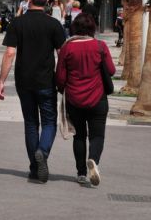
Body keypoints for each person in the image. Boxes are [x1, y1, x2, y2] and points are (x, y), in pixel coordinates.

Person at [0, 0, 66, 183]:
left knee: (31, 123)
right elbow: (62, 56)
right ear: (47, 2)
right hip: (46, 81)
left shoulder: (17, 23)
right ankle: (42, 152)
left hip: (23, 81)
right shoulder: (54, 25)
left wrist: (1, 81)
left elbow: (10, 53)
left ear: (29, 0)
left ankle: (34, 168)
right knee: (49, 121)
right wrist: (63, 80)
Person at [56, 13, 115, 187]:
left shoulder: (67, 48)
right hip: (98, 99)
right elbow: (110, 70)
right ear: (93, 29)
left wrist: (61, 89)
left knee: (79, 136)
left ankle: (81, 173)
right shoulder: (100, 46)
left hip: (74, 100)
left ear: (74, 28)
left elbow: (60, 77)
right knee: (97, 136)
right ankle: (93, 160)